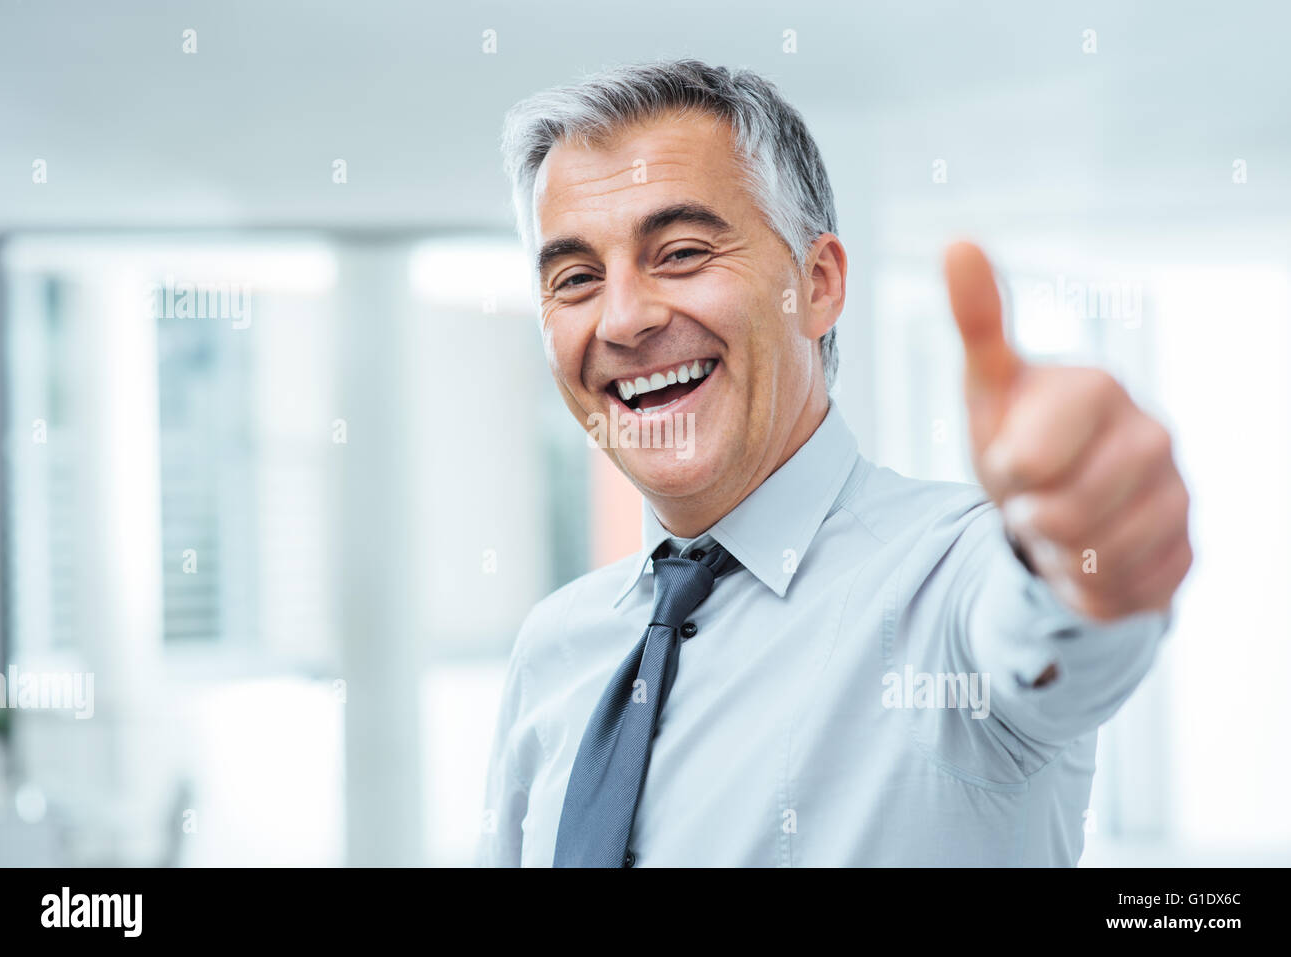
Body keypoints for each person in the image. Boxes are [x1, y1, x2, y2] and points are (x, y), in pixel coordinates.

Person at [477, 59, 1191, 867]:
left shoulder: (947, 585)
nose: (625, 318)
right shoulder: (553, 648)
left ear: (817, 284)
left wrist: (1087, 549)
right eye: (575, 278)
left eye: (679, 252)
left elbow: (1053, 631)